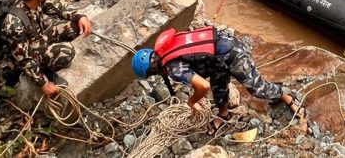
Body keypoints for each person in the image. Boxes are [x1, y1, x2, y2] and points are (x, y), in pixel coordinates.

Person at [131, 26, 306, 134]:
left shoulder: (172, 68)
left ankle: (285, 96)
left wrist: (192, 102)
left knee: (255, 88)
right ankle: (224, 114)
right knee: (219, 85)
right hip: (218, 55)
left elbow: (202, 85)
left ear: (151, 71)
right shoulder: (165, 47)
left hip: (232, 53)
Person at [1, 0, 92, 98]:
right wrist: (43, 83)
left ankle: (47, 59)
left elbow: (59, 11)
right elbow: (23, 60)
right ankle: (45, 70)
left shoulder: (34, 0)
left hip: (37, 39)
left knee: (75, 27)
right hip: (23, 55)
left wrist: (79, 16)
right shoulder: (14, 25)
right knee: (67, 52)